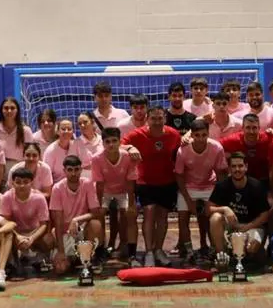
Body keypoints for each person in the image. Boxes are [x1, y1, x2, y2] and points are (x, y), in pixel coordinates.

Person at [122, 106, 182, 267]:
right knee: (149, 213)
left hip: (167, 182)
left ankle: (159, 250)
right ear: (147, 119)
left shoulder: (173, 134)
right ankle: (148, 251)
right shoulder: (137, 134)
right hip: (145, 182)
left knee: (162, 217)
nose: (157, 122)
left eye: (160, 118)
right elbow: (119, 145)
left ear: (165, 119)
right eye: (153, 118)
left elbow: (180, 150)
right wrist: (130, 147)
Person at [175, 119, 228, 261]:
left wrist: (217, 198)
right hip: (188, 186)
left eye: (204, 135)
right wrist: (188, 201)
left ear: (208, 133)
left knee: (210, 216)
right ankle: (189, 250)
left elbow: (222, 175)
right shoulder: (183, 150)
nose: (201, 139)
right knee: (182, 216)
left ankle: (213, 248)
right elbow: (179, 176)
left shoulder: (217, 148)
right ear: (192, 135)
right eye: (197, 135)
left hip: (210, 186)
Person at [207, 152, 270, 265]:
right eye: (234, 166)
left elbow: (265, 215)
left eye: (240, 166)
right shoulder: (222, 186)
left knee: (252, 247)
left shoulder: (257, 186)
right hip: (231, 227)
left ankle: (246, 256)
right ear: (229, 169)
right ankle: (222, 258)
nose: (237, 169)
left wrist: (247, 227)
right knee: (215, 218)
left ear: (246, 167)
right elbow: (209, 209)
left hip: (252, 226)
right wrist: (225, 209)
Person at [50, 156, 104, 274]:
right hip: (65, 233)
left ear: (81, 170)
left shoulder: (88, 183)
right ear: (64, 171)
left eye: (76, 169)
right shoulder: (57, 188)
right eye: (70, 170)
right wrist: (61, 251)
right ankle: (74, 258)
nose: (73, 173)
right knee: (60, 269)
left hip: (83, 230)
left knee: (96, 224)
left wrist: (76, 220)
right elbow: (57, 222)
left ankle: (91, 258)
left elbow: (95, 212)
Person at [91, 128, 138, 262]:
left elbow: (130, 182)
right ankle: (100, 250)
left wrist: (131, 204)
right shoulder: (96, 158)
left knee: (130, 214)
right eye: (107, 142)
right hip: (105, 191)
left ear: (119, 141)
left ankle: (131, 252)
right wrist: (99, 205)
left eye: (114, 141)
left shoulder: (128, 157)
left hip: (123, 191)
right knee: (98, 216)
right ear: (103, 143)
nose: (111, 144)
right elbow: (99, 184)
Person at [0, 168, 55, 269]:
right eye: (18, 182)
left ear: (31, 183)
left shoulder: (39, 198)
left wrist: (32, 238)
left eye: (25, 182)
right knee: (5, 234)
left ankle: (42, 258)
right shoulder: (6, 197)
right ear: (12, 183)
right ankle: (10, 263)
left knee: (49, 240)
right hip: (15, 232)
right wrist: (18, 236)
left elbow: (44, 224)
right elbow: (5, 222)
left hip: (35, 232)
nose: (22, 185)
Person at [220, 114, 273, 187]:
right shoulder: (233, 140)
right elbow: (215, 147)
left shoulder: (268, 139)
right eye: (248, 128)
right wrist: (226, 157)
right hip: (240, 181)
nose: (251, 132)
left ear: (259, 128)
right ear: (242, 128)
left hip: (264, 182)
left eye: (254, 128)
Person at [0, 97, 33, 177]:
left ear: (17, 110)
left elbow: (31, 153)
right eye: (6, 108)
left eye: (12, 108)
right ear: (1, 110)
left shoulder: (25, 130)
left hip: (19, 171)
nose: (9, 111)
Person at [70, 113, 104, 180]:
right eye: (80, 124)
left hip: (104, 177)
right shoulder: (75, 144)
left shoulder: (103, 140)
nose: (82, 125)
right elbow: (72, 165)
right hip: (85, 180)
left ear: (92, 122)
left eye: (85, 122)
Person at [44, 118, 74, 183]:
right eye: (63, 129)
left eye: (69, 129)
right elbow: (46, 174)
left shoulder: (77, 146)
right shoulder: (50, 151)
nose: (66, 131)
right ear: (57, 131)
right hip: (57, 187)